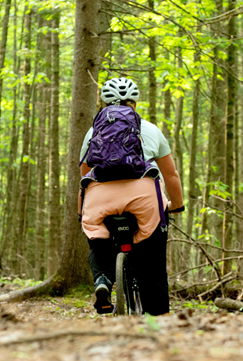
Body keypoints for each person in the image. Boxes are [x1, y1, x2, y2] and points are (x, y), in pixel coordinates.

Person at [79, 77, 184, 315]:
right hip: (143, 198)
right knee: (153, 258)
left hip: (100, 198)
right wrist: (176, 205)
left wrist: (83, 214)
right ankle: (157, 318)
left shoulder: (92, 132)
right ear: (134, 103)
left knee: (97, 237)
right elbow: (171, 175)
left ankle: (103, 279)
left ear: (104, 104)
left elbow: (85, 177)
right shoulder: (150, 130)